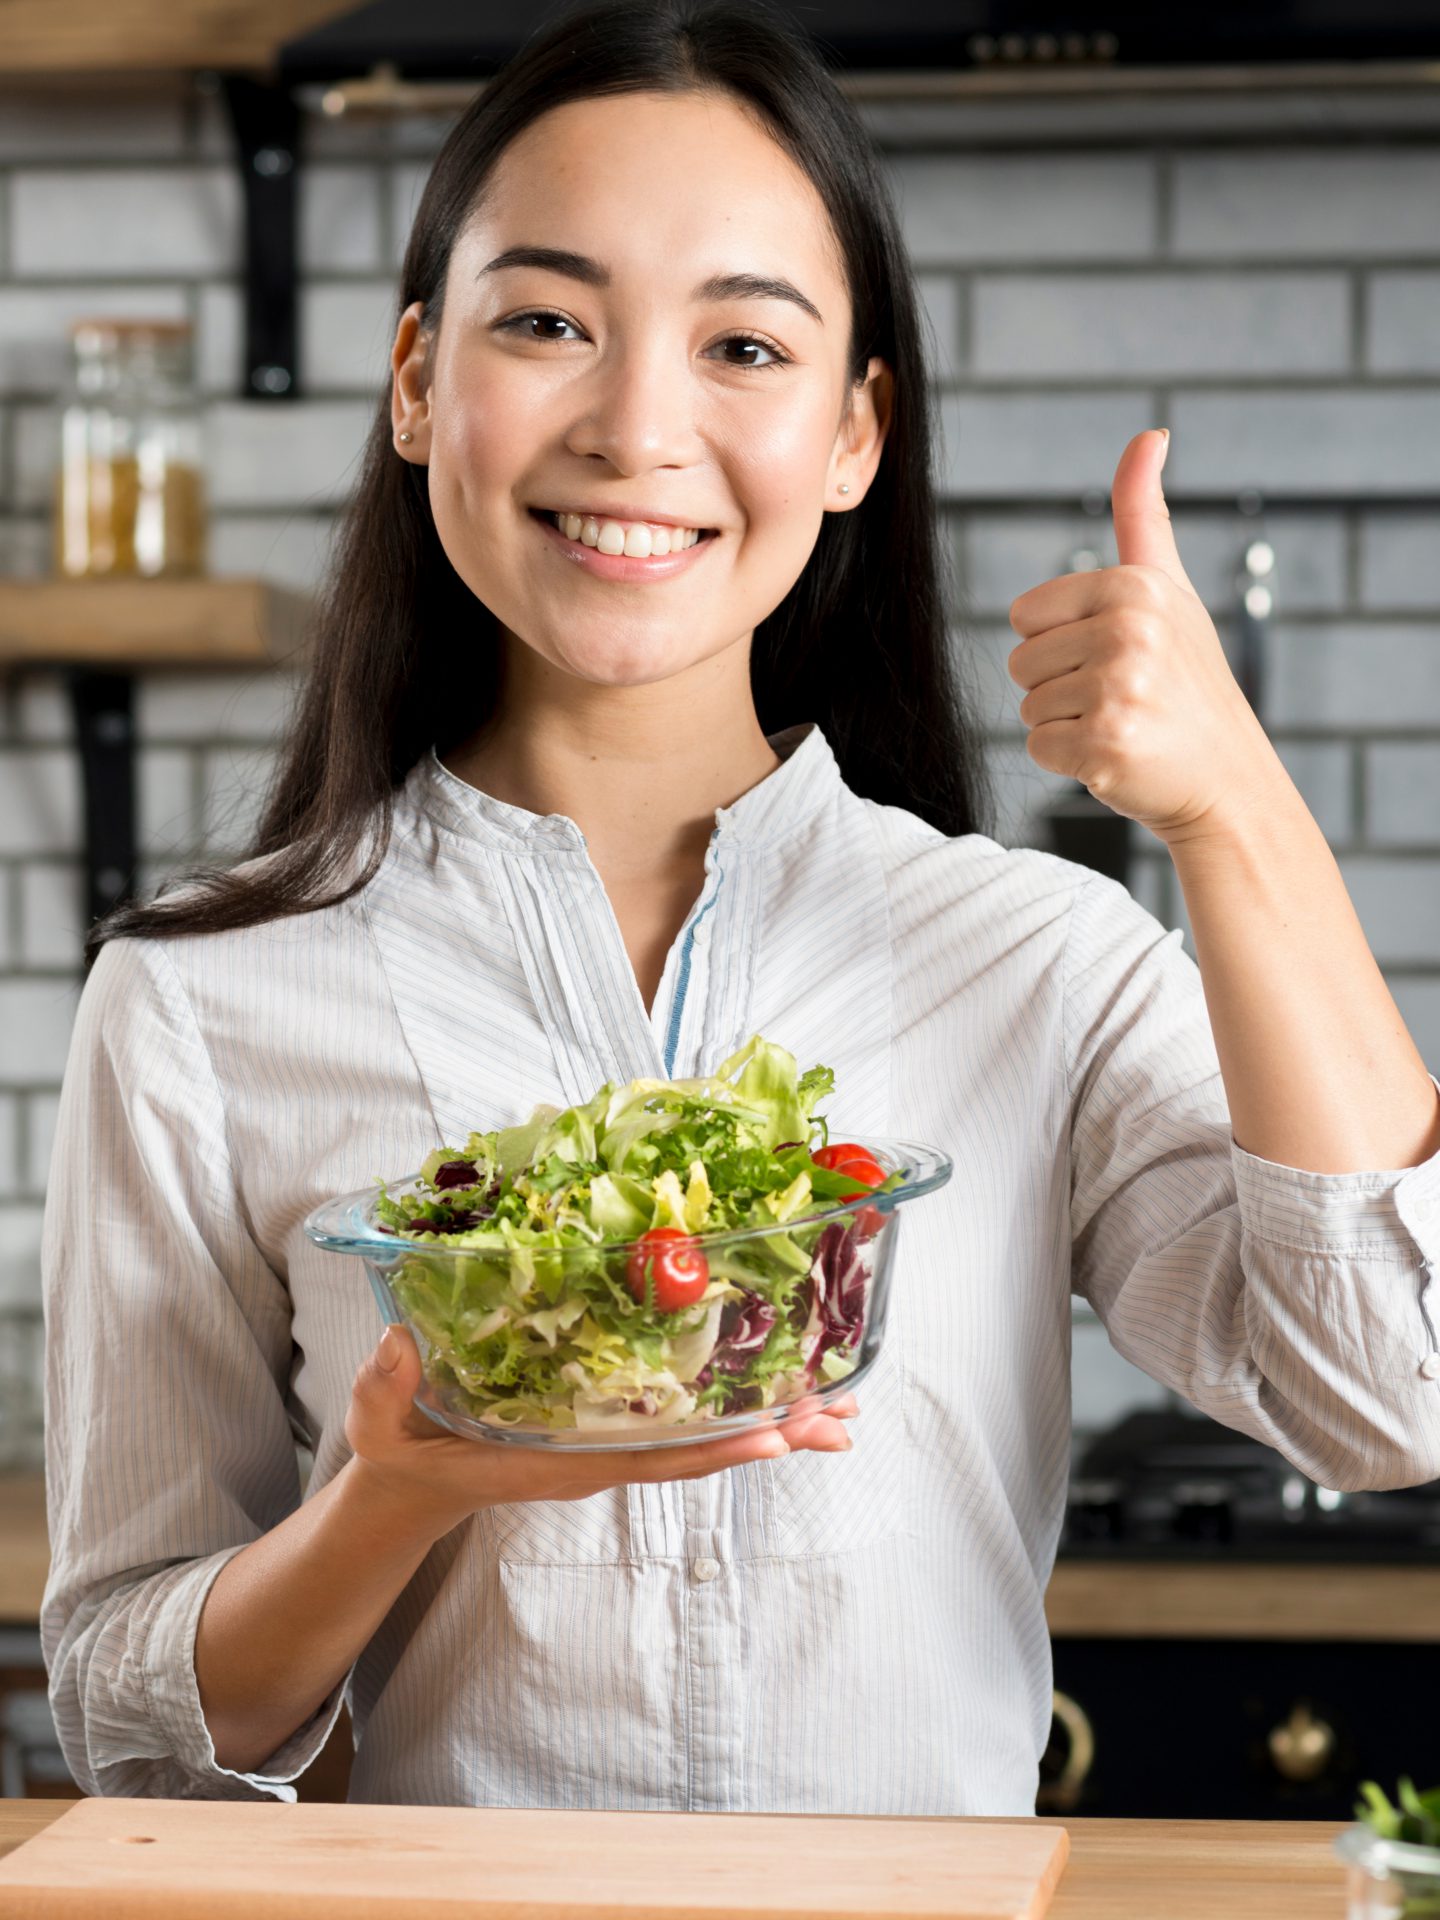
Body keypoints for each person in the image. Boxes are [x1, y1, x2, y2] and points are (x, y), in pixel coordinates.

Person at [41, 0, 1440, 1817]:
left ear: (859, 433)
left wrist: (1237, 811)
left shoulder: (1038, 964)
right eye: (546, 323)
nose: (636, 427)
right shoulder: (198, 997)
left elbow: (1391, 1399)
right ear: (412, 382)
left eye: (744, 346)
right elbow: (131, 1728)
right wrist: (400, 1487)